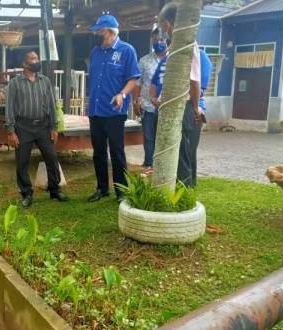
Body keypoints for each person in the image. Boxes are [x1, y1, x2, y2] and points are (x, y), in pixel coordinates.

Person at [150, 2, 212, 188]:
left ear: (168, 23)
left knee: (182, 153)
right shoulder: (174, 48)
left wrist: (195, 108)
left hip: (185, 107)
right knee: (181, 151)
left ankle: (183, 192)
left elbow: (194, 81)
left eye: (162, 26)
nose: (163, 31)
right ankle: (186, 189)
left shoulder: (187, 45)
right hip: (180, 105)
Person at [87, 14, 142, 202]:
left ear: (110, 32)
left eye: (99, 31)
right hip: (95, 111)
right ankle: (102, 188)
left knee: (117, 152)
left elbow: (133, 78)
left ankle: (121, 191)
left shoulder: (126, 51)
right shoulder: (95, 52)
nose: (97, 34)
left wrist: (123, 94)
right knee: (98, 152)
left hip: (114, 111)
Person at [5, 50, 69, 208]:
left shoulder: (45, 81)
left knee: (52, 157)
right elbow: (9, 108)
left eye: (37, 58)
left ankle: (55, 189)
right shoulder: (15, 83)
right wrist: (11, 131)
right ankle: (26, 193)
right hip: (23, 127)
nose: (37, 61)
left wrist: (54, 127)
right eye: (33, 59)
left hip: (43, 127)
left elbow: (52, 106)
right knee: (22, 162)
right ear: (25, 64)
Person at [133, 28, 168, 176]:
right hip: (147, 106)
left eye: (161, 40)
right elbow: (138, 83)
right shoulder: (144, 60)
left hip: (167, 108)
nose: (158, 42)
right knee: (148, 137)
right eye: (155, 40)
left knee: (165, 137)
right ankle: (149, 164)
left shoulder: (173, 60)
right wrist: (135, 101)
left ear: (167, 40)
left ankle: (163, 165)